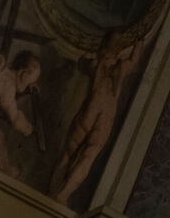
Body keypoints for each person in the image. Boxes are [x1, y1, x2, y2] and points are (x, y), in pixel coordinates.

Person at [55, 33, 142, 201]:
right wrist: (139, 44)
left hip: (91, 107)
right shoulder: (122, 67)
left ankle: (52, 191)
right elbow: (135, 61)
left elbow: (81, 63)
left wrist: (91, 53)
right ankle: (62, 195)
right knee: (88, 156)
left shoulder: (96, 65)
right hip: (106, 114)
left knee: (68, 153)